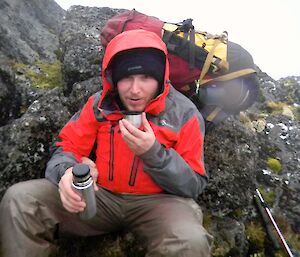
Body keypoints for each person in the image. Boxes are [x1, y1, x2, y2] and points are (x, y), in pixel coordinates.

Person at [0, 29, 212, 257]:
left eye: (146, 78)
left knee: (190, 242)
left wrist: (153, 153)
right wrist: (66, 172)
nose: (135, 89)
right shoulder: (99, 105)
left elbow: (193, 185)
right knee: (20, 200)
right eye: (126, 78)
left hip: (161, 203)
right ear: (114, 78)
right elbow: (66, 146)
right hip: (100, 198)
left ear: (161, 77)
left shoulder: (184, 113)